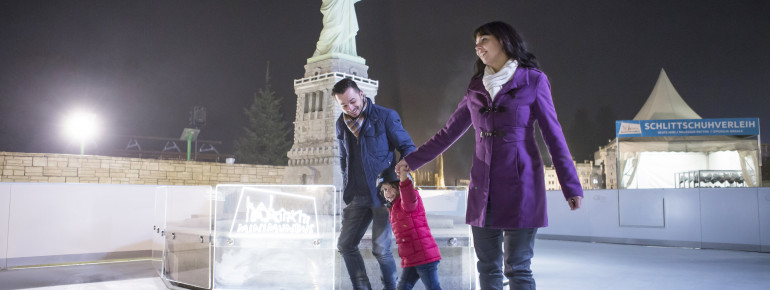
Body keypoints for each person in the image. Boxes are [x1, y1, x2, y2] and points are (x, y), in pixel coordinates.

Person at [395, 21, 584, 290]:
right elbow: (448, 133)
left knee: (518, 267)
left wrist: (571, 186)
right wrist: (411, 161)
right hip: (483, 187)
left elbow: (554, 136)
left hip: (523, 184)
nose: (478, 46)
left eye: (484, 39)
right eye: (476, 42)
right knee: (487, 268)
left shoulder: (533, 80)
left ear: (504, 41)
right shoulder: (475, 87)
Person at [334, 78, 417, 290]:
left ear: (361, 94)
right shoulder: (341, 124)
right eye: (344, 105)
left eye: (352, 101)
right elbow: (343, 157)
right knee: (345, 245)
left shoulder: (385, 116)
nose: (350, 108)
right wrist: (346, 178)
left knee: (381, 249)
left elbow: (408, 148)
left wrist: (399, 181)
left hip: (383, 196)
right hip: (357, 196)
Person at [378, 166, 442, 290]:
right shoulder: (394, 206)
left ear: (398, 187)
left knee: (433, 287)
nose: (387, 193)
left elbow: (407, 192)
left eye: (390, 189)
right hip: (411, 257)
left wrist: (403, 177)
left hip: (423, 256)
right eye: (384, 190)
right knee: (403, 286)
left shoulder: (408, 202)